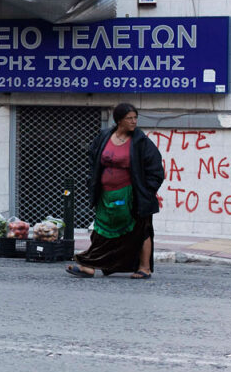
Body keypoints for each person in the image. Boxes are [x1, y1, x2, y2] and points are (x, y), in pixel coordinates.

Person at [65, 103, 165, 279]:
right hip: (106, 194)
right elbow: (93, 159)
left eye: (135, 118)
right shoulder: (104, 137)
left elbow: (156, 169)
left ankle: (144, 268)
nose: (134, 121)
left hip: (131, 196)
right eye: (129, 118)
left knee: (141, 230)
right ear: (119, 120)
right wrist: (92, 182)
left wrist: (144, 192)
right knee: (101, 230)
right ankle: (90, 266)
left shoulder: (140, 142)